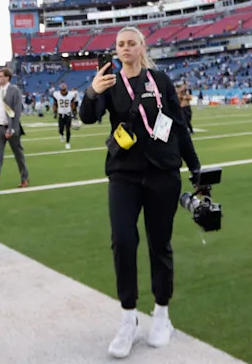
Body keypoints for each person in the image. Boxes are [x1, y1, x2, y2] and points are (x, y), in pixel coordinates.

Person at [79, 27, 202, 359]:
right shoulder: (108, 82)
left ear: (142, 47)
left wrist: (196, 168)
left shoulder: (159, 81)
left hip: (163, 172)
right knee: (122, 240)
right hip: (124, 174)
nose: (125, 48)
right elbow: (88, 118)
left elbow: (177, 125)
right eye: (120, 44)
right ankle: (128, 316)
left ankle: (162, 313)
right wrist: (91, 92)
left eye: (131, 43)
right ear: (116, 50)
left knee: (159, 243)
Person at [0, 68, 29, 194]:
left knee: (18, 154)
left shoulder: (14, 91)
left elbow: (17, 111)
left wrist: (12, 128)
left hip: (11, 127)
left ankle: (24, 178)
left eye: (0, 76)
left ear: (7, 77)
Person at [52, 82, 79, 149]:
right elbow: (55, 104)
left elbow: (72, 104)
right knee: (60, 129)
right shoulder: (56, 94)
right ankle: (61, 135)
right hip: (61, 114)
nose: (63, 91)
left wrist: (74, 113)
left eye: (64, 90)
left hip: (68, 114)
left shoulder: (70, 95)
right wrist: (55, 112)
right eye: (62, 90)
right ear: (60, 89)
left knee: (68, 129)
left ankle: (67, 142)